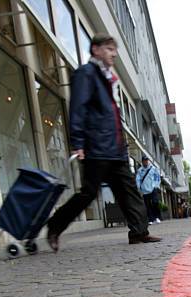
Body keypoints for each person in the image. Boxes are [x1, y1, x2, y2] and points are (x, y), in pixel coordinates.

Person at [46, 33, 161, 251]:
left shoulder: (107, 78)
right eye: (109, 48)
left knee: (129, 191)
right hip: (96, 148)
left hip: (115, 149)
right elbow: (77, 109)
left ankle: (139, 232)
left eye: (114, 49)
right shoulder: (86, 74)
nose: (114, 53)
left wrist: (123, 146)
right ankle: (55, 225)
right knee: (88, 194)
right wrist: (78, 143)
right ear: (96, 49)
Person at [136, 156, 162, 224]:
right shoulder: (140, 170)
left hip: (153, 188)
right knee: (147, 205)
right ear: (142, 162)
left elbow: (157, 177)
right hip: (144, 190)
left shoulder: (153, 168)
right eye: (144, 160)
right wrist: (139, 188)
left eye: (147, 160)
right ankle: (150, 219)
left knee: (155, 202)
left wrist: (156, 185)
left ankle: (157, 217)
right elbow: (138, 180)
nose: (146, 162)